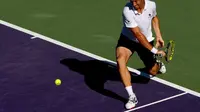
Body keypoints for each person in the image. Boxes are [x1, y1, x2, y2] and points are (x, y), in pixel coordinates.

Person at [116, 0, 166, 110]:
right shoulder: (127, 11)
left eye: (136, 0)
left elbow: (154, 18)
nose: (134, 4)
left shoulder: (151, 5)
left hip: (146, 41)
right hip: (128, 40)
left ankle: (158, 64)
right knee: (120, 60)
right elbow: (138, 35)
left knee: (153, 71)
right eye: (131, 1)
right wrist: (155, 51)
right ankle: (131, 96)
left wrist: (158, 35)